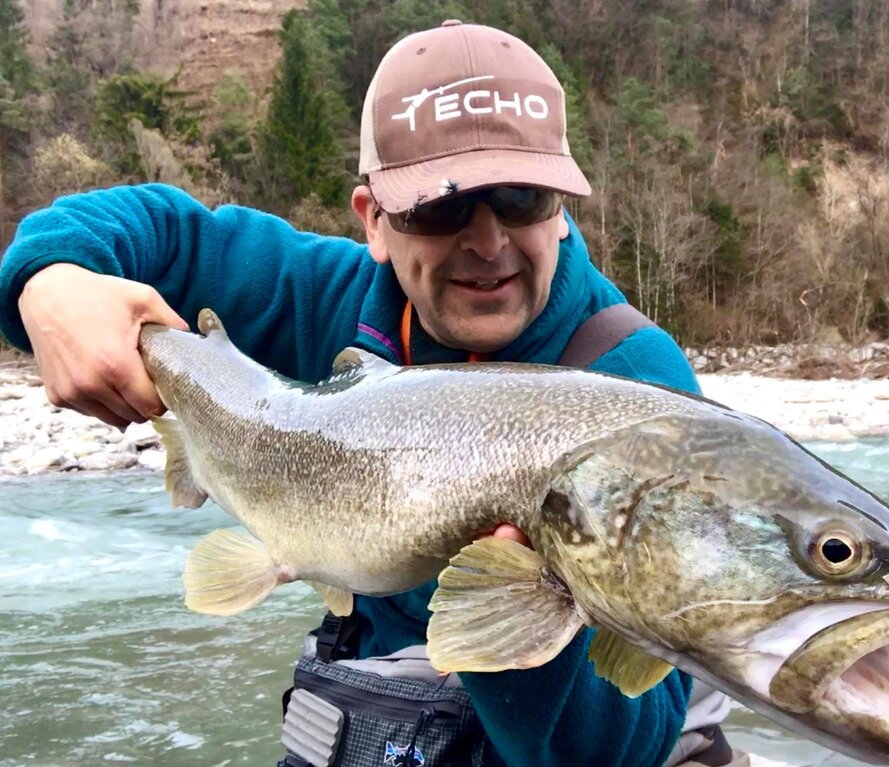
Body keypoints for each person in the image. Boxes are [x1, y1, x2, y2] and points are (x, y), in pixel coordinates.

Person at [0, 20, 743, 767]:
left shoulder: (633, 383)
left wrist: (510, 617)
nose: (487, 242)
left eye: (521, 198)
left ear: (560, 201)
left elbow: (626, 748)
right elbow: (159, 226)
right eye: (439, 206)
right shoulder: (321, 291)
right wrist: (50, 280)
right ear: (375, 221)